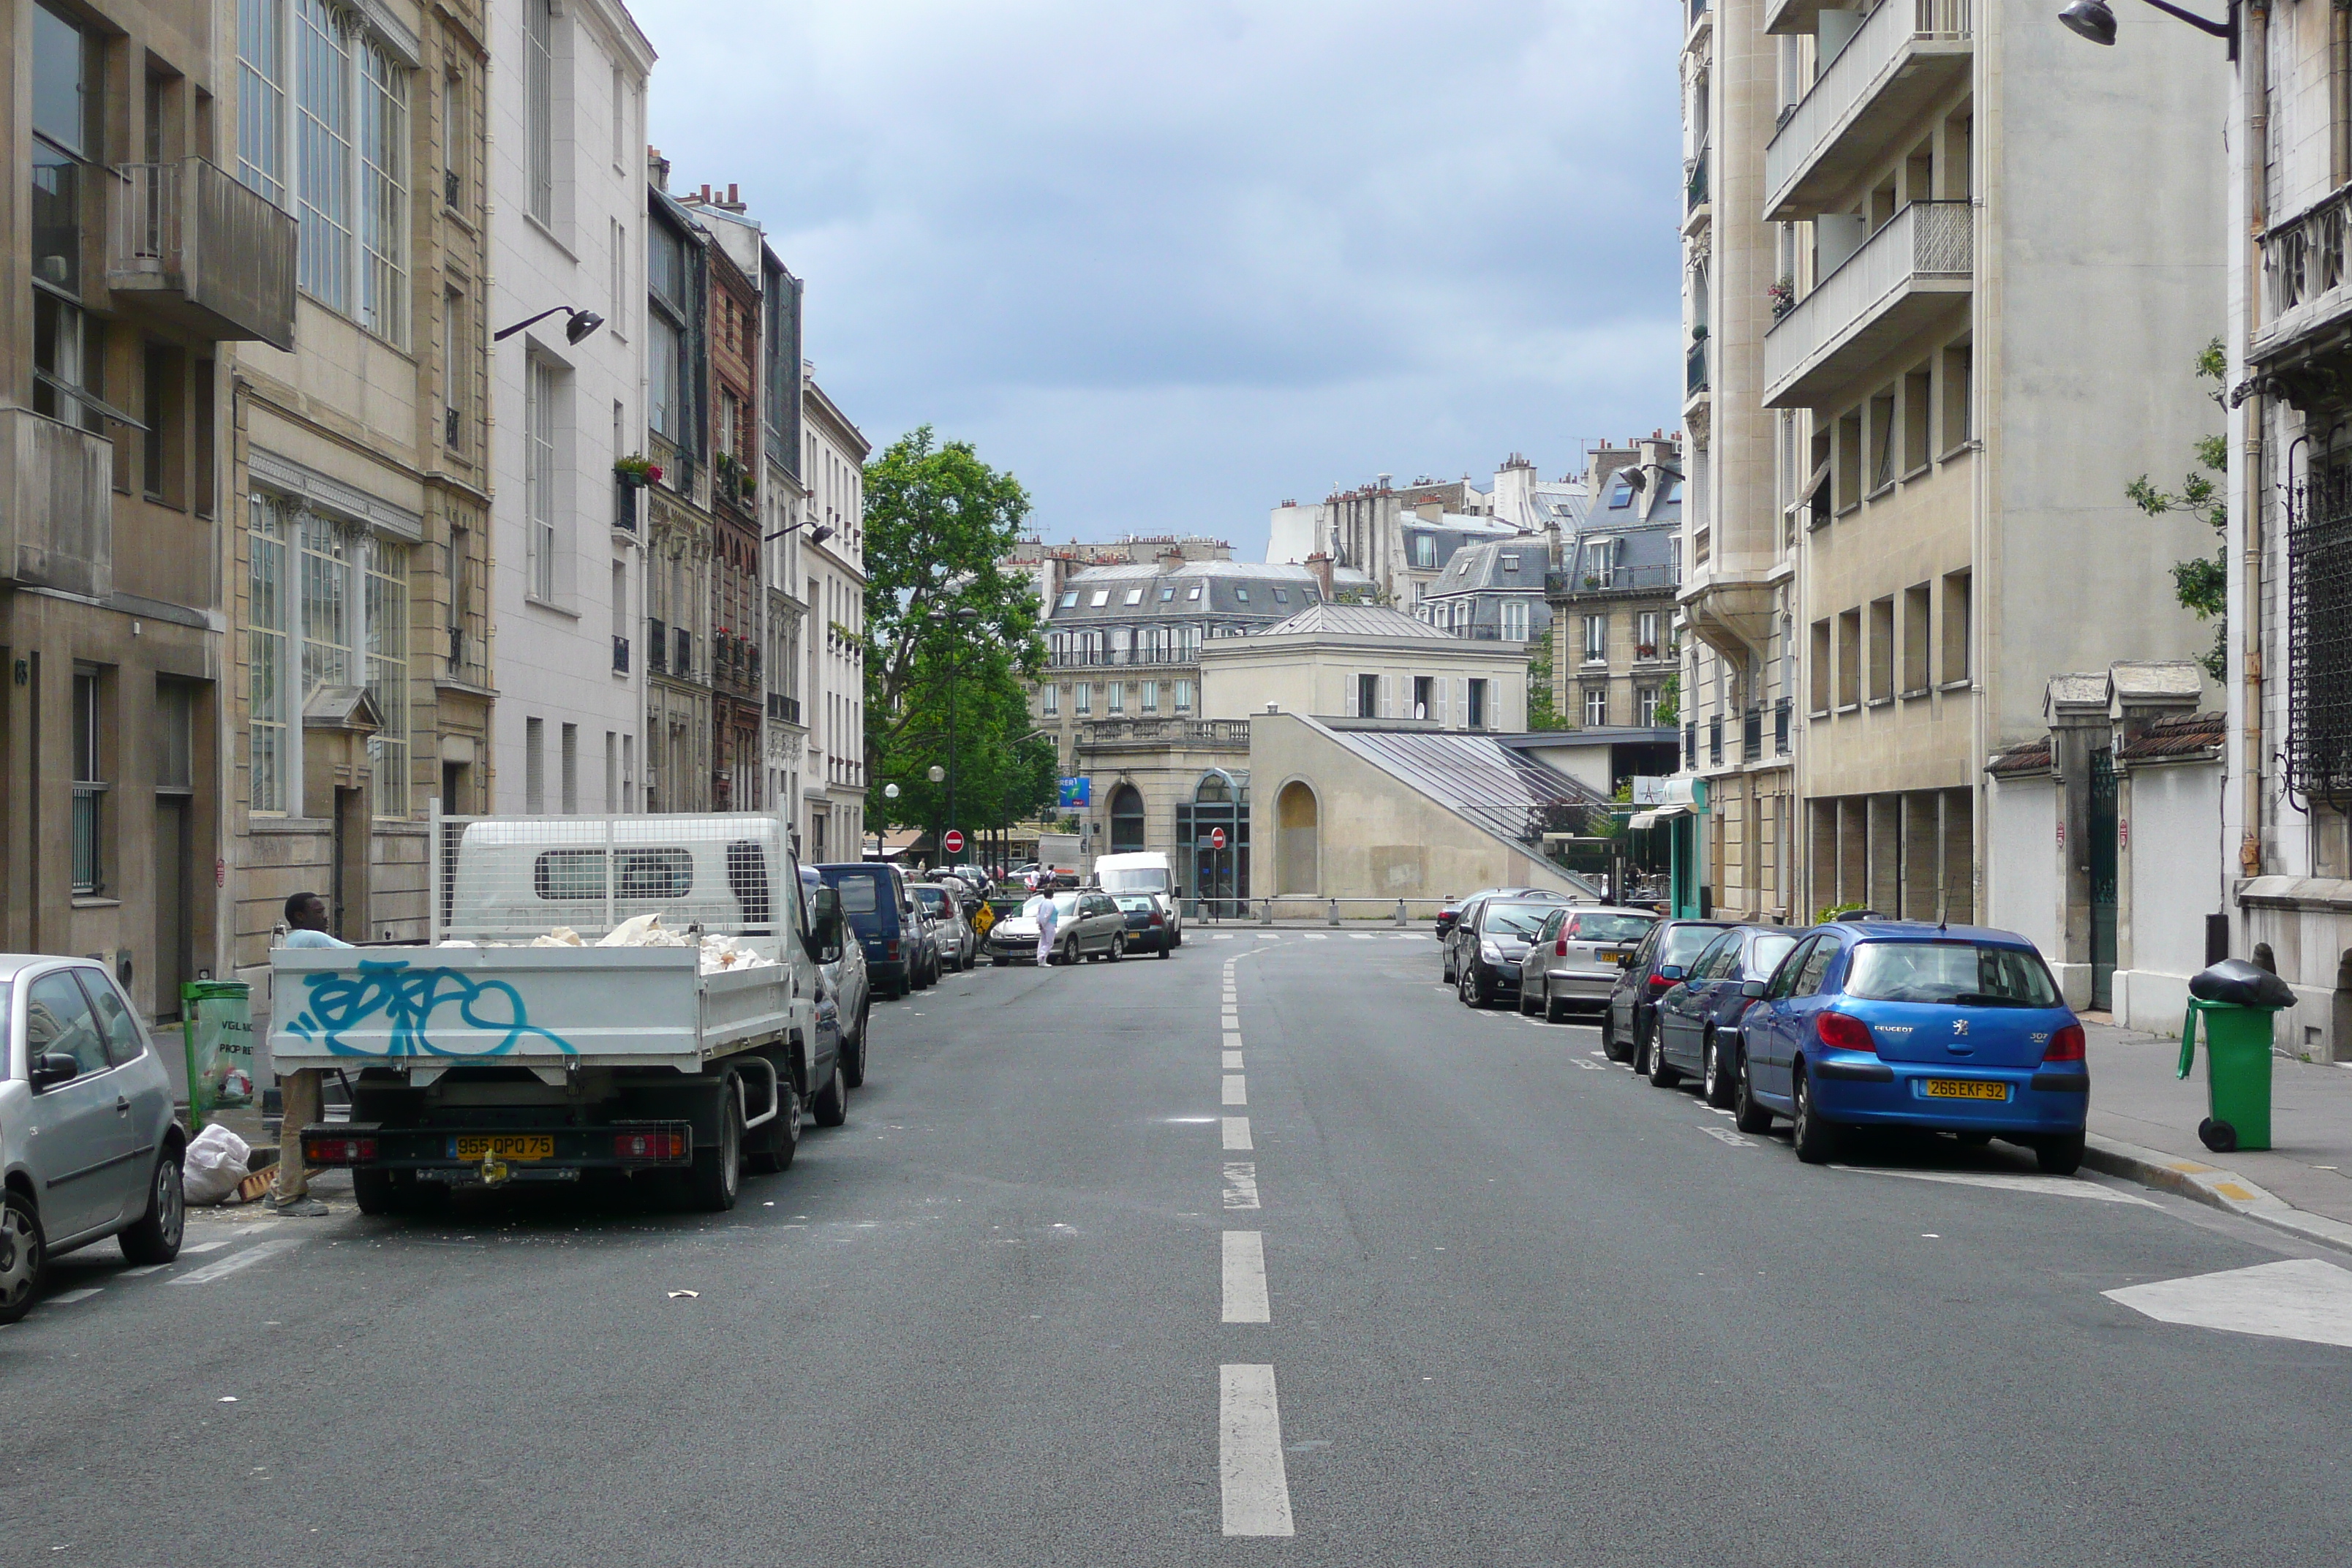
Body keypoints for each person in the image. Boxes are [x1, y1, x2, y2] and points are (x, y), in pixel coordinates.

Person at [268, 892, 348, 1215]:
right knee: (298, 1122)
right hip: (298, 1043)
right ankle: (289, 1195)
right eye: (318, 911)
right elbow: (360, 957)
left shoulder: (292, 941)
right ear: (300, 916)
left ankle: (280, 1187)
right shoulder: (311, 939)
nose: (326, 917)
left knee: (307, 1117)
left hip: (294, 1041)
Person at [1032, 892, 1060, 968]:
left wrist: (1040, 923)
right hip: (1049, 924)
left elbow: (1039, 914)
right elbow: (1047, 914)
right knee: (1049, 942)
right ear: (1052, 895)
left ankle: (1041, 959)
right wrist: (1044, 924)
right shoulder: (1050, 903)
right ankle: (1042, 957)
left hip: (1044, 924)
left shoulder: (1042, 902)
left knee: (1043, 942)